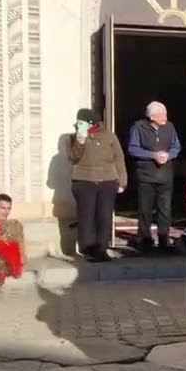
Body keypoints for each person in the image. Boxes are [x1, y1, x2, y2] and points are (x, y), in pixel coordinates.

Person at [68, 108, 127, 263]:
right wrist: (80, 142)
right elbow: (72, 157)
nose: (78, 124)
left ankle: (101, 248)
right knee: (86, 216)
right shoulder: (75, 137)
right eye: (78, 122)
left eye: (82, 122)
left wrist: (122, 181)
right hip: (84, 181)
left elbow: (119, 159)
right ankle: (87, 249)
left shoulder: (109, 136)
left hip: (107, 181)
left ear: (91, 123)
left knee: (104, 216)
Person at [127, 101, 181, 254]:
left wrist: (169, 155)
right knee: (145, 209)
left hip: (165, 175)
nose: (165, 117)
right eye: (161, 115)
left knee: (165, 209)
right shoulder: (138, 127)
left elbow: (176, 146)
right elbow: (133, 148)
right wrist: (153, 155)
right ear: (152, 117)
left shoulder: (169, 127)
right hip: (146, 175)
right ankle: (144, 239)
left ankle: (163, 238)